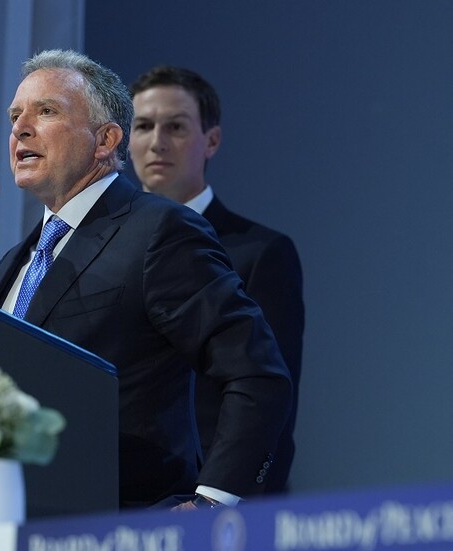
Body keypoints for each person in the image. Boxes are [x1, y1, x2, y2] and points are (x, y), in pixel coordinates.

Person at [0, 49, 291, 510]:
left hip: (126, 521)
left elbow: (257, 373)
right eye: (15, 116)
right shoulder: (15, 261)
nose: (21, 129)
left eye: (46, 112)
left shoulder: (159, 230)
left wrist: (213, 505)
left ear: (105, 140)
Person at [128, 65, 304, 493]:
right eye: (143, 126)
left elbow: (270, 401)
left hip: (211, 503)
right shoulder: (110, 252)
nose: (157, 142)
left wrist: (224, 505)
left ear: (212, 140)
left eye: (176, 127)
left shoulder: (260, 252)